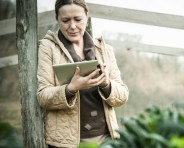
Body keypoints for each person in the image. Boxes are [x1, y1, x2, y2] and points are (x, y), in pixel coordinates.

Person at [36, 0, 129, 147]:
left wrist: (106, 84)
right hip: (67, 143)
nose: (72, 26)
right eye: (65, 20)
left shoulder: (104, 50)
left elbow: (122, 96)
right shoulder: (48, 48)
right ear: (57, 19)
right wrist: (70, 88)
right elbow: (43, 96)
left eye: (78, 19)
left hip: (106, 140)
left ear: (86, 16)